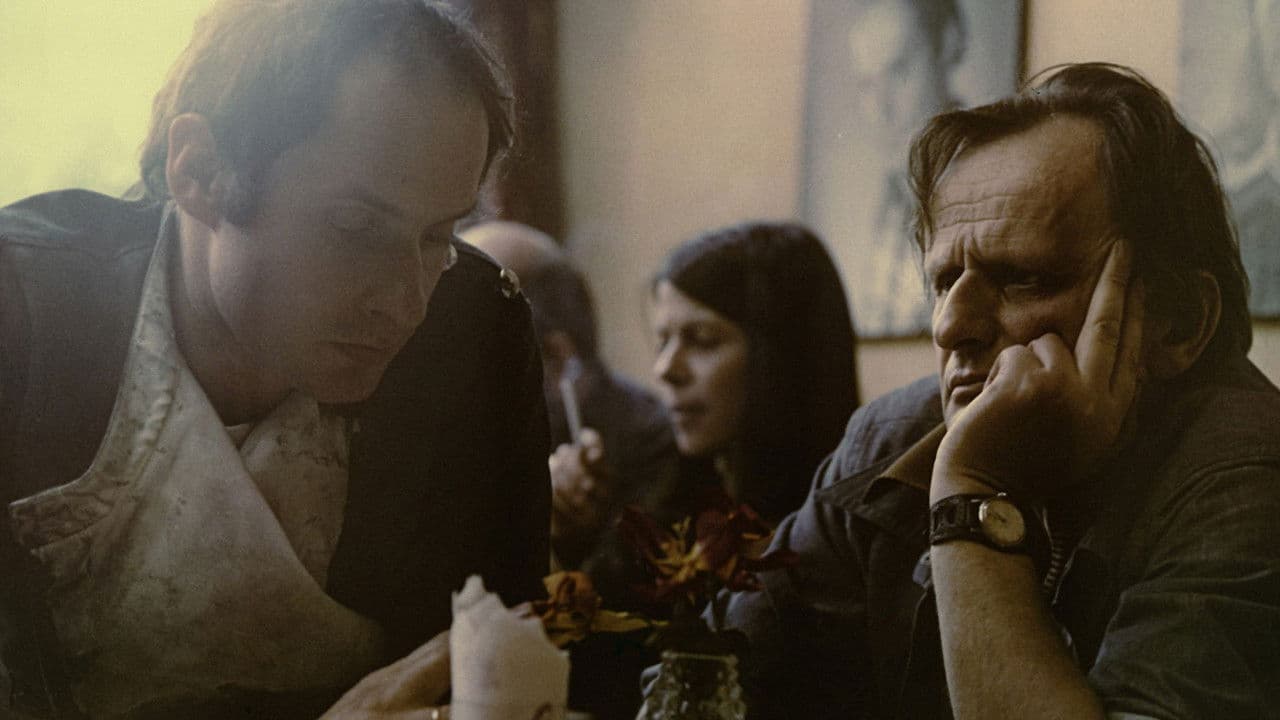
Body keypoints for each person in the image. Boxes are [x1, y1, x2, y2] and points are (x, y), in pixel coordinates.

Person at [0, 2, 550, 717]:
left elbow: (500, 675)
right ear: (200, 170)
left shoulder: (473, 334)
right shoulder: (24, 314)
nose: (407, 302)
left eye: (437, 237)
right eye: (354, 227)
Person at [720, 63, 1280, 719]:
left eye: (1021, 277)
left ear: (1180, 321)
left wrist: (971, 492)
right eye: (943, 281)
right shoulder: (893, 440)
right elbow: (703, 684)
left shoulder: (1250, 480)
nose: (950, 325)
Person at [459, 220, 677, 573]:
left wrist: (554, 531)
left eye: (466, 346)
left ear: (555, 355)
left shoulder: (653, 447)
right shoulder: (478, 433)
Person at [646, 222, 861, 531]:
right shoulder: (666, 488)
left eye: (703, 339)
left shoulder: (843, 525)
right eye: (662, 340)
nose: (665, 369)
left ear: (781, 356)